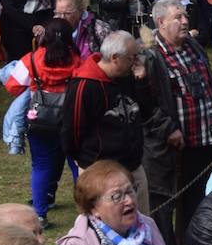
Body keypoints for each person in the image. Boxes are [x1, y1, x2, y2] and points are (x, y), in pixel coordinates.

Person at [144, 0, 212, 243]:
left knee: (202, 197)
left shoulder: (193, 46)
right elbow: (146, 103)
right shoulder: (150, 56)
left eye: (185, 16)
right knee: (169, 203)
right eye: (177, 17)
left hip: (205, 139)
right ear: (160, 22)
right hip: (173, 146)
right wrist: (168, 129)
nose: (185, 21)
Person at [63, 30, 153, 210]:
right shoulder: (84, 85)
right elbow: (71, 131)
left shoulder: (128, 77)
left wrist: (142, 82)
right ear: (115, 58)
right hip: (100, 173)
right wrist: (86, 161)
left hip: (133, 167)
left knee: (142, 224)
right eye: (131, 57)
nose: (136, 61)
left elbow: (145, 113)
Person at [6, 19, 80, 226]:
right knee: (76, 164)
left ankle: (40, 213)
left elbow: (12, 86)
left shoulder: (31, 59)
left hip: (39, 121)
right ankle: (87, 210)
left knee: (41, 165)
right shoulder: (76, 59)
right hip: (69, 120)